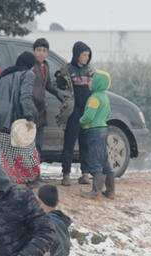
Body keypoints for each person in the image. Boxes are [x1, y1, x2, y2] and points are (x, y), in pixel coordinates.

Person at [0, 51, 39, 186]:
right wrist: (30, 115)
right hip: (14, 117)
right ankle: (28, 178)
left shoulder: (5, 73)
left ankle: (1, 179)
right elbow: (25, 97)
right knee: (25, 149)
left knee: (0, 152)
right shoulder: (28, 74)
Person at [55, 41, 93, 186]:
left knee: (85, 143)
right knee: (69, 143)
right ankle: (66, 174)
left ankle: (85, 174)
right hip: (73, 112)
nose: (86, 58)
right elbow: (59, 85)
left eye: (88, 55)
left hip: (87, 112)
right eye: (84, 55)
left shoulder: (90, 71)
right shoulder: (67, 69)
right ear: (77, 54)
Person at [79, 70, 114, 199]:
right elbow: (108, 113)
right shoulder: (105, 97)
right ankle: (110, 191)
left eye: (93, 80)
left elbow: (89, 116)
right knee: (105, 161)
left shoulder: (94, 98)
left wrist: (81, 121)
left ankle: (95, 192)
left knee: (94, 161)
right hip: (104, 129)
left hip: (94, 131)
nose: (90, 82)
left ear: (98, 83)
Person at [31, 38, 62, 161]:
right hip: (31, 107)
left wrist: (58, 93)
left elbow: (48, 84)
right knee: (29, 143)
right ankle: (27, 172)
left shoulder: (46, 66)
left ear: (47, 53)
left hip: (41, 109)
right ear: (34, 51)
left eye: (44, 50)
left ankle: (35, 172)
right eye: (38, 50)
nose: (41, 53)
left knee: (38, 143)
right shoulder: (31, 66)